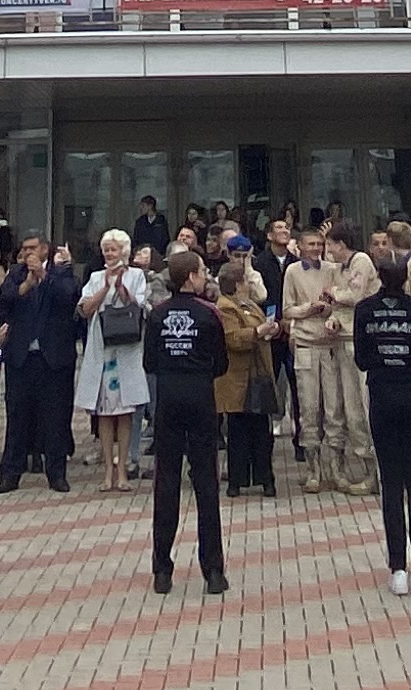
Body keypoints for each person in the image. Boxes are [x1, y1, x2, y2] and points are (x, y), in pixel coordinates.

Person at [350, 249, 411, 593]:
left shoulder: (364, 310)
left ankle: (398, 569)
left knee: (390, 484)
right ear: (405, 279)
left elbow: (361, 359)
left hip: (382, 398)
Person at [145, 249, 232, 594]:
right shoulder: (208, 314)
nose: (205, 276)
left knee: (166, 482)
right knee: (206, 483)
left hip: (167, 399)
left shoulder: (157, 314)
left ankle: (162, 570)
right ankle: (214, 571)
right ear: (191, 277)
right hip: (200, 398)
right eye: (202, 271)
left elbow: (149, 361)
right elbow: (221, 363)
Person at [0, 233, 81, 494]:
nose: (27, 253)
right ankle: (10, 474)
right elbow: (4, 300)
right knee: (17, 416)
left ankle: (56, 474)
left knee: (55, 418)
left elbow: (69, 297)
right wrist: (26, 285)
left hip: (53, 358)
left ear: (45, 249)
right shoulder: (16, 274)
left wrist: (43, 276)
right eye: (24, 248)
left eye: (32, 248)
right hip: (21, 357)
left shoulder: (61, 272)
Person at [76, 230, 153, 491]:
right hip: (102, 349)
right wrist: (106, 287)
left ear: (124, 251)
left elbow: (140, 305)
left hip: (128, 348)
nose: (109, 253)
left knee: (126, 411)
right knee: (105, 412)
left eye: (114, 249)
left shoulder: (137, 275)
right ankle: (108, 469)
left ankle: (123, 469)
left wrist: (121, 286)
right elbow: (85, 309)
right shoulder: (95, 277)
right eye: (106, 249)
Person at [286, 228, 361, 490]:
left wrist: (330, 313)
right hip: (306, 345)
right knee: (308, 408)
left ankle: (336, 467)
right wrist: (308, 309)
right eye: (311, 244)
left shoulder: (333, 269)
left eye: (320, 243)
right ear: (300, 246)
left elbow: (341, 302)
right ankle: (313, 469)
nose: (316, 248)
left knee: (334, 408)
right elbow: (287, 309)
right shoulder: (292, 271)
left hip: (331, 344)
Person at [213, 249, 276, 496]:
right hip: (237, 378)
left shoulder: (249, 304)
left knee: (261, 432)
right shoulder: (225, 307)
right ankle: (236, 481)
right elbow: (233, 338)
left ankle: (265, 478)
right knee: (238, 432)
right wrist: (258, 332)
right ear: (238, 284)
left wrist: (271, 328)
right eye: (246, 281)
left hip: (257, 376)